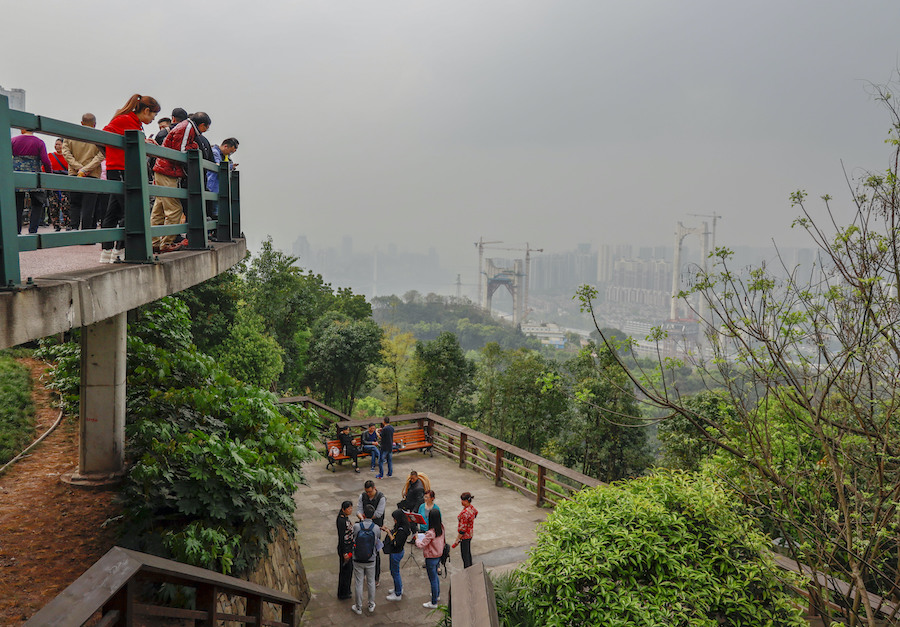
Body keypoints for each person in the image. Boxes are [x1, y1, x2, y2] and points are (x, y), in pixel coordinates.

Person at [100, 94, 161, 263]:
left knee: (114, 211)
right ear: (147, 110)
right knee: (131, 210)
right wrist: (112, 155)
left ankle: (107, 252)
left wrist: (144, 142)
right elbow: (104, 136)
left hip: (122, 168)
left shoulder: (134, 122)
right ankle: (119, 250)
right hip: (120, 168)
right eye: (153, 115)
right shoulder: (124, 119)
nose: (153, 118)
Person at [150, 111, 211, 253]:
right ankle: (166, 244)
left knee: (158, 209)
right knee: (174, 210)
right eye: (206, 128)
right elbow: (182, 151)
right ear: (202, 125)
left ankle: (154, 242)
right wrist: (195, 147)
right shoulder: (187, 127)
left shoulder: (185, 127)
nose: (205, 132)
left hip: (162, 169)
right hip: (167, 171)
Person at [62, 113, 104, 230]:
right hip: (92, 174)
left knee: (75, 204)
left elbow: (66, 153)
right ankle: (86, 233)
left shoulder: (70, 135)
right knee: (89, 206)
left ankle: (74, 229)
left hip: (74, 173)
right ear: (94, 124)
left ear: (81, 123)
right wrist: (87, 168)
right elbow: (101, 155)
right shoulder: (99, 136)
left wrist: (78, 167)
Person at [11, 129, 51, 234]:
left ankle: (16, 232)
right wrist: (49, 175)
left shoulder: (13, 140)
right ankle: (33, 230)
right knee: (37, 203)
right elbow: (45, 161)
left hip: (17, 174)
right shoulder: (39, 142)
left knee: (17, 205)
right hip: (35, 175)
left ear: (22, 130)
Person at [351, 504, 381, 615]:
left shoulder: (357, 527)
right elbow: (377, 542)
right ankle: (371, 605)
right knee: (371, 582)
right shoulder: (376, 528)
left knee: (358, 583)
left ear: (363, 514)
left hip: (357, 558)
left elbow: (353, 537)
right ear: (373, 515)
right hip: (371, 559)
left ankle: (358, 607)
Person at [356, 480, 386, 584]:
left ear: (374, 488)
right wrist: (362, 517)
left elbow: (378, 513)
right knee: (362, 549)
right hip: (363, 527)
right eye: (366, 492)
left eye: (370, 492)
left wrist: (367, 517)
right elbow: (359, 510)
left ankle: (376, 576)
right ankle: (364, 573)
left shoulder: (381, 497)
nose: (368, 494)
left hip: (375, 527)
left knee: (375, 551)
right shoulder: (362, 496)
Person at [415, 507, 445, 609]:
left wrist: (416, 539)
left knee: (432, 579)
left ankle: (433, 602)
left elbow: (421, 545)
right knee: (435, 577)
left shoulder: (430, 533)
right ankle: (437, 594)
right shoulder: (441, 528)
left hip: (431, 557)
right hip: (438, 556)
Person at [383, 509, 411, 602]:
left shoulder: (402, 531)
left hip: (396, 553)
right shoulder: (402, 527)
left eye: (395, 519)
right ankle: (397, 588)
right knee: (395, 572)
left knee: (395, 572)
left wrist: (388, 532)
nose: (394, 521)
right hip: (397, 552)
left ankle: (398, 593)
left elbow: (395, 542)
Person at [46, 138, 70, 230]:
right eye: (56, 144)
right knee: (53, 205)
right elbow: (45, 167)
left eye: (59, 144)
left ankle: (68, 223)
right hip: (53, 183)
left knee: (66, 204)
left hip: (65, 183)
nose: (57, 146)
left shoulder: (68, 156)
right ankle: (56, 225)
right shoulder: (50, 156)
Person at [453, 492, 478, 568]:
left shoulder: (465, 513)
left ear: (466, 501)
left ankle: (467, 570)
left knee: (465, 555)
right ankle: (470, 567)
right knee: (468, 553)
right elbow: (476, 513)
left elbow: (462, 529)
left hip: (465, 536)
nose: (461, 501)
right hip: (470, 533)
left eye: (462, 500)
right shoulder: (471, 508)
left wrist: (457, 539)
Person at [336, 500, 354, 600]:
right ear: (343, 509)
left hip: (348, 547)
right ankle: (343, 593)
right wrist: (344, 552)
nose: (350, 510)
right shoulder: (342, 521)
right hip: (345, 549)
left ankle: (346, 590)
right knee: (345, 571)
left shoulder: (344, 518)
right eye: (349, 508)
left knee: (348, 571)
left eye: (351, 508)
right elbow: (342, 538)